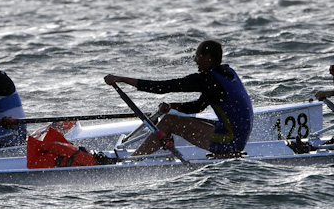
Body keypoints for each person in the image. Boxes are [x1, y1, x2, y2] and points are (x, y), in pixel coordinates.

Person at [104, 39, 253, 156]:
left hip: (229, 141)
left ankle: (134, 160)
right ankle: (148, 152)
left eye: (198, 56)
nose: (195, 60)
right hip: (237, 136)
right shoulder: (227, 73)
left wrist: (121, 79)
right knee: (171, 117)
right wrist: (172, 107)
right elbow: (197, 107)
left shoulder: (207, 80)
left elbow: (161, 87)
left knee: (169, 122)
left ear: (208, 58)